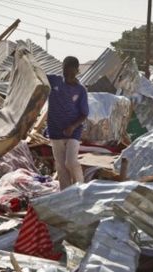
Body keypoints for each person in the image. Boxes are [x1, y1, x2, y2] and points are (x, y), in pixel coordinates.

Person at [46, 56, 89, 190]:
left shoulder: (80, 90)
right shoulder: (54, 81)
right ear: (62, 70)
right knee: (60, 165)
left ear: (77, 71)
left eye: (71, 73)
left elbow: (84, 114)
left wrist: (73, 126)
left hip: (73, 130)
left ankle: (79, 188)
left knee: (70, 162)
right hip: (55, 129)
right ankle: (65, 193)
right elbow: (36, 75)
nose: (68, 76)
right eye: (66, 72)